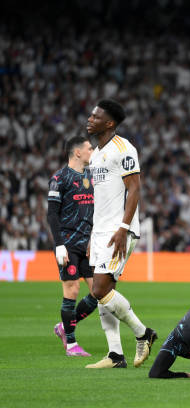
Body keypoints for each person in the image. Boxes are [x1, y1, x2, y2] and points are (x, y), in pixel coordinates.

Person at [85, 99, 157, 369]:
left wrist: (123, 228)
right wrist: (94, 233)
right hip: (101, 230)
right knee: (106, 292)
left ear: (109, 123)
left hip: (120, 230)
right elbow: (100, 197)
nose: (90, 120)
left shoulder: (124, 148)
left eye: (95, 116)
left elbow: (134, 189)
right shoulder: (94, 154)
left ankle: (143, 333)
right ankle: (115, 355)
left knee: (99, 289)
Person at [48, 136, 98, 356]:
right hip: (67, 245)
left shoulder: (91, 176)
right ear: (77, 152)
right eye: (89, 148)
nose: (93, 150)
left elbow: (96, 211)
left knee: (99, 292)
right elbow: (52, 214)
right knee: (73, 290)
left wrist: (94, 238)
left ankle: (64, 326)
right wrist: (59, 245)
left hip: (87, 244)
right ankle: (71, 344)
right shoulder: (59, 178)